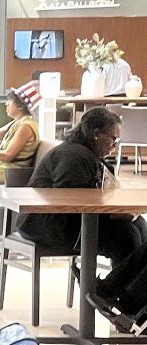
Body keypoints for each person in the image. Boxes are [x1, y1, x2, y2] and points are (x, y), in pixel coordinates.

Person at [18, 107, 147, 313]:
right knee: (127, 234)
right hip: (48, 224)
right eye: (113, 140)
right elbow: (73, 201)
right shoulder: (73, 156)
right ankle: (124, 300)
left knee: (138, 224)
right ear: (96, 134)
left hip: (67, 221)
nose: (114, 146)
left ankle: (124, 296)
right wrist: (114, 213)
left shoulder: (85, 154)